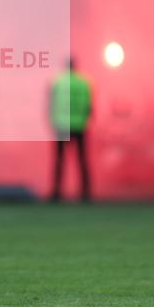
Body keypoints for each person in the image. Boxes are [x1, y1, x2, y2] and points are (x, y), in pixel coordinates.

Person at [49, 57, 92, 203]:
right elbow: (89, 106)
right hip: (79, 125)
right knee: (82, 160)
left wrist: (52, 121)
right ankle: (85, 192)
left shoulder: (58, 82)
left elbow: (51, 103)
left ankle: (57, 192)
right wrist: (85, 120)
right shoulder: (84, 83)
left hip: (62, 125)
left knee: (60, 161)